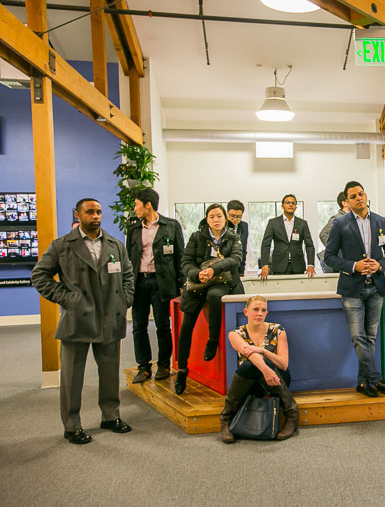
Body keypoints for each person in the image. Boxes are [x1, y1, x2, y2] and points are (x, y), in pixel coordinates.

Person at [31, 198, 135, 444]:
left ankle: (110, 416)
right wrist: (68, 299)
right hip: (77, 319)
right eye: (90, 212)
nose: (96, 216)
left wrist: (124, 301)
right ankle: (71, 425)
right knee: (72, 376)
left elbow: (128, 276)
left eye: (98, 211)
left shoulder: (115, 245)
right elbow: (39, 275)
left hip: (110, 318)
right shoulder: (62, 245)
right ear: (78, 215)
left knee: (110, 373)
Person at [324, 181, 385, 397]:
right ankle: (375, 379)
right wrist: (354, 266)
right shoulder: (340, 224)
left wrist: (381, 265)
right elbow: (329, 257)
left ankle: (363, 382)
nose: (358, 198)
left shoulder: (381, 222)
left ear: (366, 195)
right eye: (353, 196)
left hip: (376, 287)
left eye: (361, 194)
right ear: (347, 201)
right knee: (359, 337)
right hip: (352, 288)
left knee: (371, 337)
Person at [175, 204, 243, 394]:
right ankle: (182, 370)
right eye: (212, 216)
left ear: (225, 218)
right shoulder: (197, 237)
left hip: (222, 281)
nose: (216, 220)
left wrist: (215, 269)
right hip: (198, 284)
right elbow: (186, 262)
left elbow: (236, 259)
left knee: (215, 296)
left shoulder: (233, 237)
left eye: (219, 216)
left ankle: (212, 341)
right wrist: (197, 274)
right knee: (186, 327)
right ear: (207, 219)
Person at [220, 295, 298, 442]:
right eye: (255, 309)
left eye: (263, 310)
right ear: (246, 312)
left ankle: (292, 416)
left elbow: (284, 365)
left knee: (261, 361)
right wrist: (265, 369)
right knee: (249, 365)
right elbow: (248, 354)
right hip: (252, 384)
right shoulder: (236, 334)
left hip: (277, 379)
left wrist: (263, 351)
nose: (260, 313)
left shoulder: (278, 330)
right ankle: (226, 420)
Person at [127, 188, 185, 384]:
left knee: (162, 325)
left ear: (148, 204)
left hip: (162, 283)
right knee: (138, 326)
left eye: (136, 204)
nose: (134, 208)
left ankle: (163, 364)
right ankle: (143, 366)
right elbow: (129, 259)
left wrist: (183, 282)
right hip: (139, 283)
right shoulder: (133, 229)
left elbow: (180, 257)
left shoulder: (171, 226)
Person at [259, 194, 315, 280]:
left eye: (293, 203)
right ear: (282, 206)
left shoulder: (302, 224)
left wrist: (311, 264)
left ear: (296, 207)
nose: (291, 205)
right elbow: (266, 244)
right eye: (288, 202)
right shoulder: (273, 223)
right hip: (278, 265)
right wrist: (264, 265)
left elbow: (309, 245)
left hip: (298, 265)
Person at [317, 191, 349, 273]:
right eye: (351, 198)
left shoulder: (352, 218)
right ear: (344, 203)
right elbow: (323, 234)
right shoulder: (337, 218)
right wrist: (335, 249)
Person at [226, 200, 248, 276]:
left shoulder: (244, 226)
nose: (235, 219)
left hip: (238, 268)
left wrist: (242, 271)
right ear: (227, 213)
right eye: (232, 216)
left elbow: (243, 249)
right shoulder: (221, 227)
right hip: (223, 268)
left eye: (238, 216)